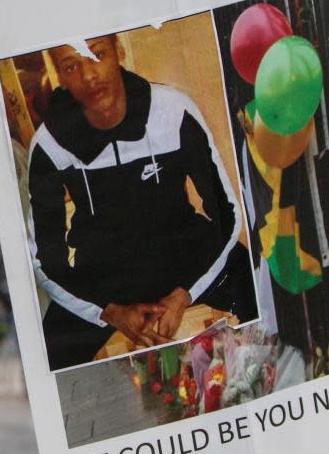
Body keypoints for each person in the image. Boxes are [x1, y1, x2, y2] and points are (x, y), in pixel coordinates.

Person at [28, 34, 251, 370]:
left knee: (259, 284)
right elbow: (46, 260)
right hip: (105, 275)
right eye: (71, 66)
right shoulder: (48, 144)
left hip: (181, 254)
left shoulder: (174, 110)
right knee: (45, 359)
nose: (88, 76)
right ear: (59, 76)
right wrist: (109, 311)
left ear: (118, 52)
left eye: (97, 54)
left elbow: (228, 214)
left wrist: (184, 294)